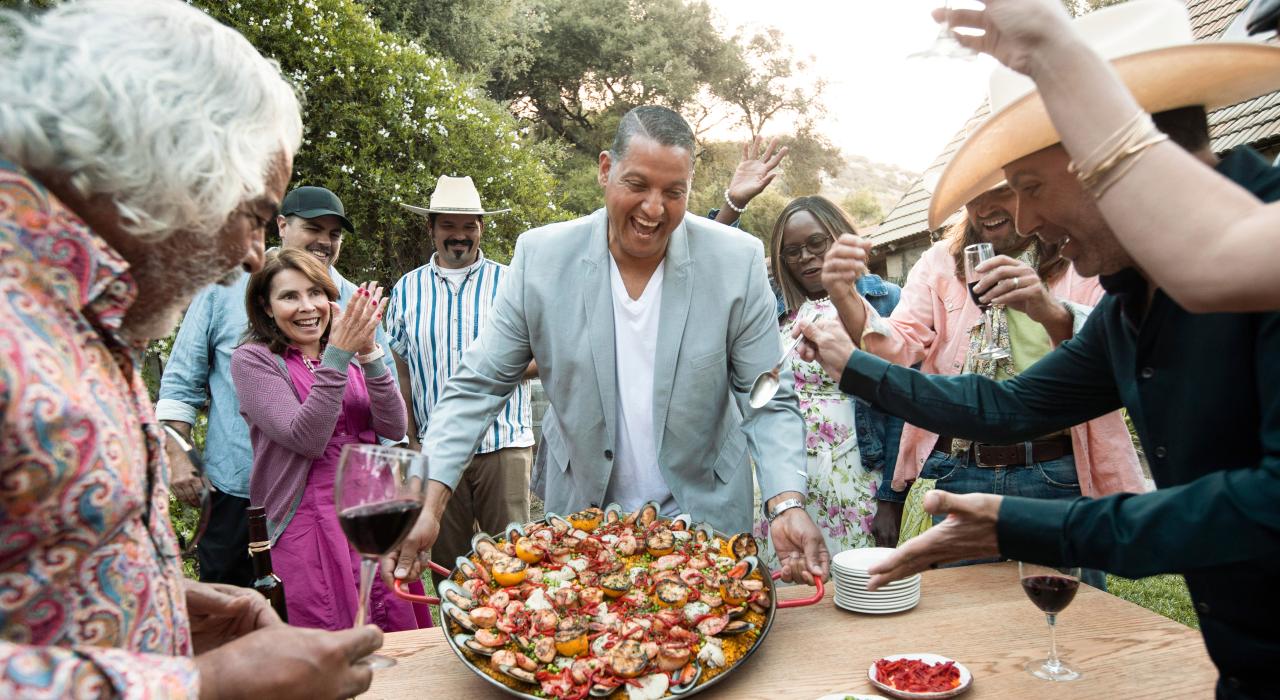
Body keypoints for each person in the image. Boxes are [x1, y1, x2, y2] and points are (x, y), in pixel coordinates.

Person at [797, 2, 1280, 695]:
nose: (1024, 221)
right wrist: (855, 367)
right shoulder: (1129, 304)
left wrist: (1017, 524)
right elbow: (1008, 407)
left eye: (1029, 187)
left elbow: (1264, 507)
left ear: (1113, 157)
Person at [0, 1, 379, 697]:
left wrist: (160, 596)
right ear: (166, 165)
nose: (252, 257)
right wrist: (203, 683)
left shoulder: (84, 309)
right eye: (254, 217)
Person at [388, 105, 830, 587]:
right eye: (637, 185)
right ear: (605, 169)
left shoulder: (735, 261)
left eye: (673, 192)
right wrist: (431, 498)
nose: (654, 209)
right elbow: (477, 385)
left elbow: (767, 399)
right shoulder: (541, 258)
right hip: (584, 522)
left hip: (704, 517)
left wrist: (786, 502)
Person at [823, 182, 1143, 562]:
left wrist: (1048, 310)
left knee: (1062, 597)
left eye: (1000, 192)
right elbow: (896, 344)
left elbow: (1110, 356)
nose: (985, 207)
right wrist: (844, 294)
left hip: (1054, 471)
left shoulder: (1077, 256)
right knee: (964, 600)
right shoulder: (940, 261)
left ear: (1028, 189)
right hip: (961, 470)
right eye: (973, 196)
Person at [931, 0, 1280, 313]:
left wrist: (1051, 51)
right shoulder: (1130, 285)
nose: (1026, 225)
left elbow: (1215, 264)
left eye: (1032, 187)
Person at [157, 184, 395, 588]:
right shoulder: (225, 288)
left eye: (334, 234)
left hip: (330, 497)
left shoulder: (352, 300)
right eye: (313, 228)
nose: (324, 241)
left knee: (317, 606)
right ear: (282, 225)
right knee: (231, 602)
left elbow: (382, 394)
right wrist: (178, 455)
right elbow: (182, 381)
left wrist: (392, 478)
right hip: (237, 487)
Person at [230, 249, 424, 632]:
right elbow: (307, 439)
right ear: (266, 307)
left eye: (315, 293)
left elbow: (393, 425)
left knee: (393, 628)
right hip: (308, 521)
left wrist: (368, 353)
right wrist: (339, 354)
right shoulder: (253, 361)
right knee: (331, 632)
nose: (307, 307)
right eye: (289, 296)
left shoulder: (342, 352)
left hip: (371, 511)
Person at [386, 175, 536, 581]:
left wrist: (491, 371)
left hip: (503, 443)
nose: (459, 235)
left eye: (469, 225)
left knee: (515, 560)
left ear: (481, 229)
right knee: (448, 567)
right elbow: (400, 370)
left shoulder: (511, 282)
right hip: (435, 450)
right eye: (449, 225)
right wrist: (411, 440)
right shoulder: (407, 289)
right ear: (431, 228)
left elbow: (543, 356)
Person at [749, 196, 905, 561]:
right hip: (787, 483)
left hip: (858, 476)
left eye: (816, 243)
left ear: (839, 236)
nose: (805, 256)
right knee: (797, 576)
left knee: (860, 580)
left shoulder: (884, 300)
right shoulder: (772, 309)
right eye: (792, 251)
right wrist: (734, 204)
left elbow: (903, 405)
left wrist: (891, 497)